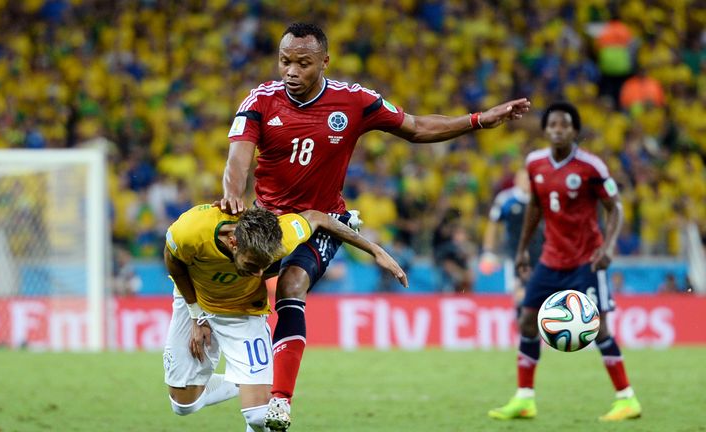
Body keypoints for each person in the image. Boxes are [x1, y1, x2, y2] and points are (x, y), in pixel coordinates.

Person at [220, 22, 530, 430]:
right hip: (269, 222)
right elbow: (237, 161)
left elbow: (417, 128)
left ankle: (280, 402)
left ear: (324, 62)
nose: (290, 71)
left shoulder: (354, 101)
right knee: (236, 290)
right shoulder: (261, 100)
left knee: (293, 285)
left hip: (323, 223)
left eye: (302, 63)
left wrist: (477, 120)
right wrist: (233, 194)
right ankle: (231, 376)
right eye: (284, 61)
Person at [163, 204, 407, 432]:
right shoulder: (191, 230)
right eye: (252, 264)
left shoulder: (284, 234)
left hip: (243, 311)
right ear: (234, 242)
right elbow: (173, 262)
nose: (259, 273)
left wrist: (374, 249)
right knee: (183, 406)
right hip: (194, 299)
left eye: (264, 265)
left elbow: (318, 217)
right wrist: (197, 316)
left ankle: (251, 380)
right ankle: (245, 379)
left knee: (260, 418)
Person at [488, 102, 641, 422]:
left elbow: (616, 208)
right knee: (528, 321)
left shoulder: (591, 167)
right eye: (553, 124)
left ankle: (627, 398)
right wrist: (521, 250)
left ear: (574, 131)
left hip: (587, 259)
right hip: (550, 258)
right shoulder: (535, 164)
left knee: (599, 328)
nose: (558, 129)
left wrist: (609, 247)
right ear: (545, 131)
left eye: (565, 125)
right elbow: (535, 209)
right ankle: (524, 399)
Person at [480, 169, 544, 313]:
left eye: (529, 179)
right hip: (514, 253)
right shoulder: (506, 199)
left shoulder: (541, 197)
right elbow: (493, 225)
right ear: (516, 181)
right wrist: (488, 251)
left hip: (539, 252)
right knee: (518, 292)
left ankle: (539, 328)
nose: (526, 183)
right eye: (523, 179)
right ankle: (522, 329)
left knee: (540, 292)